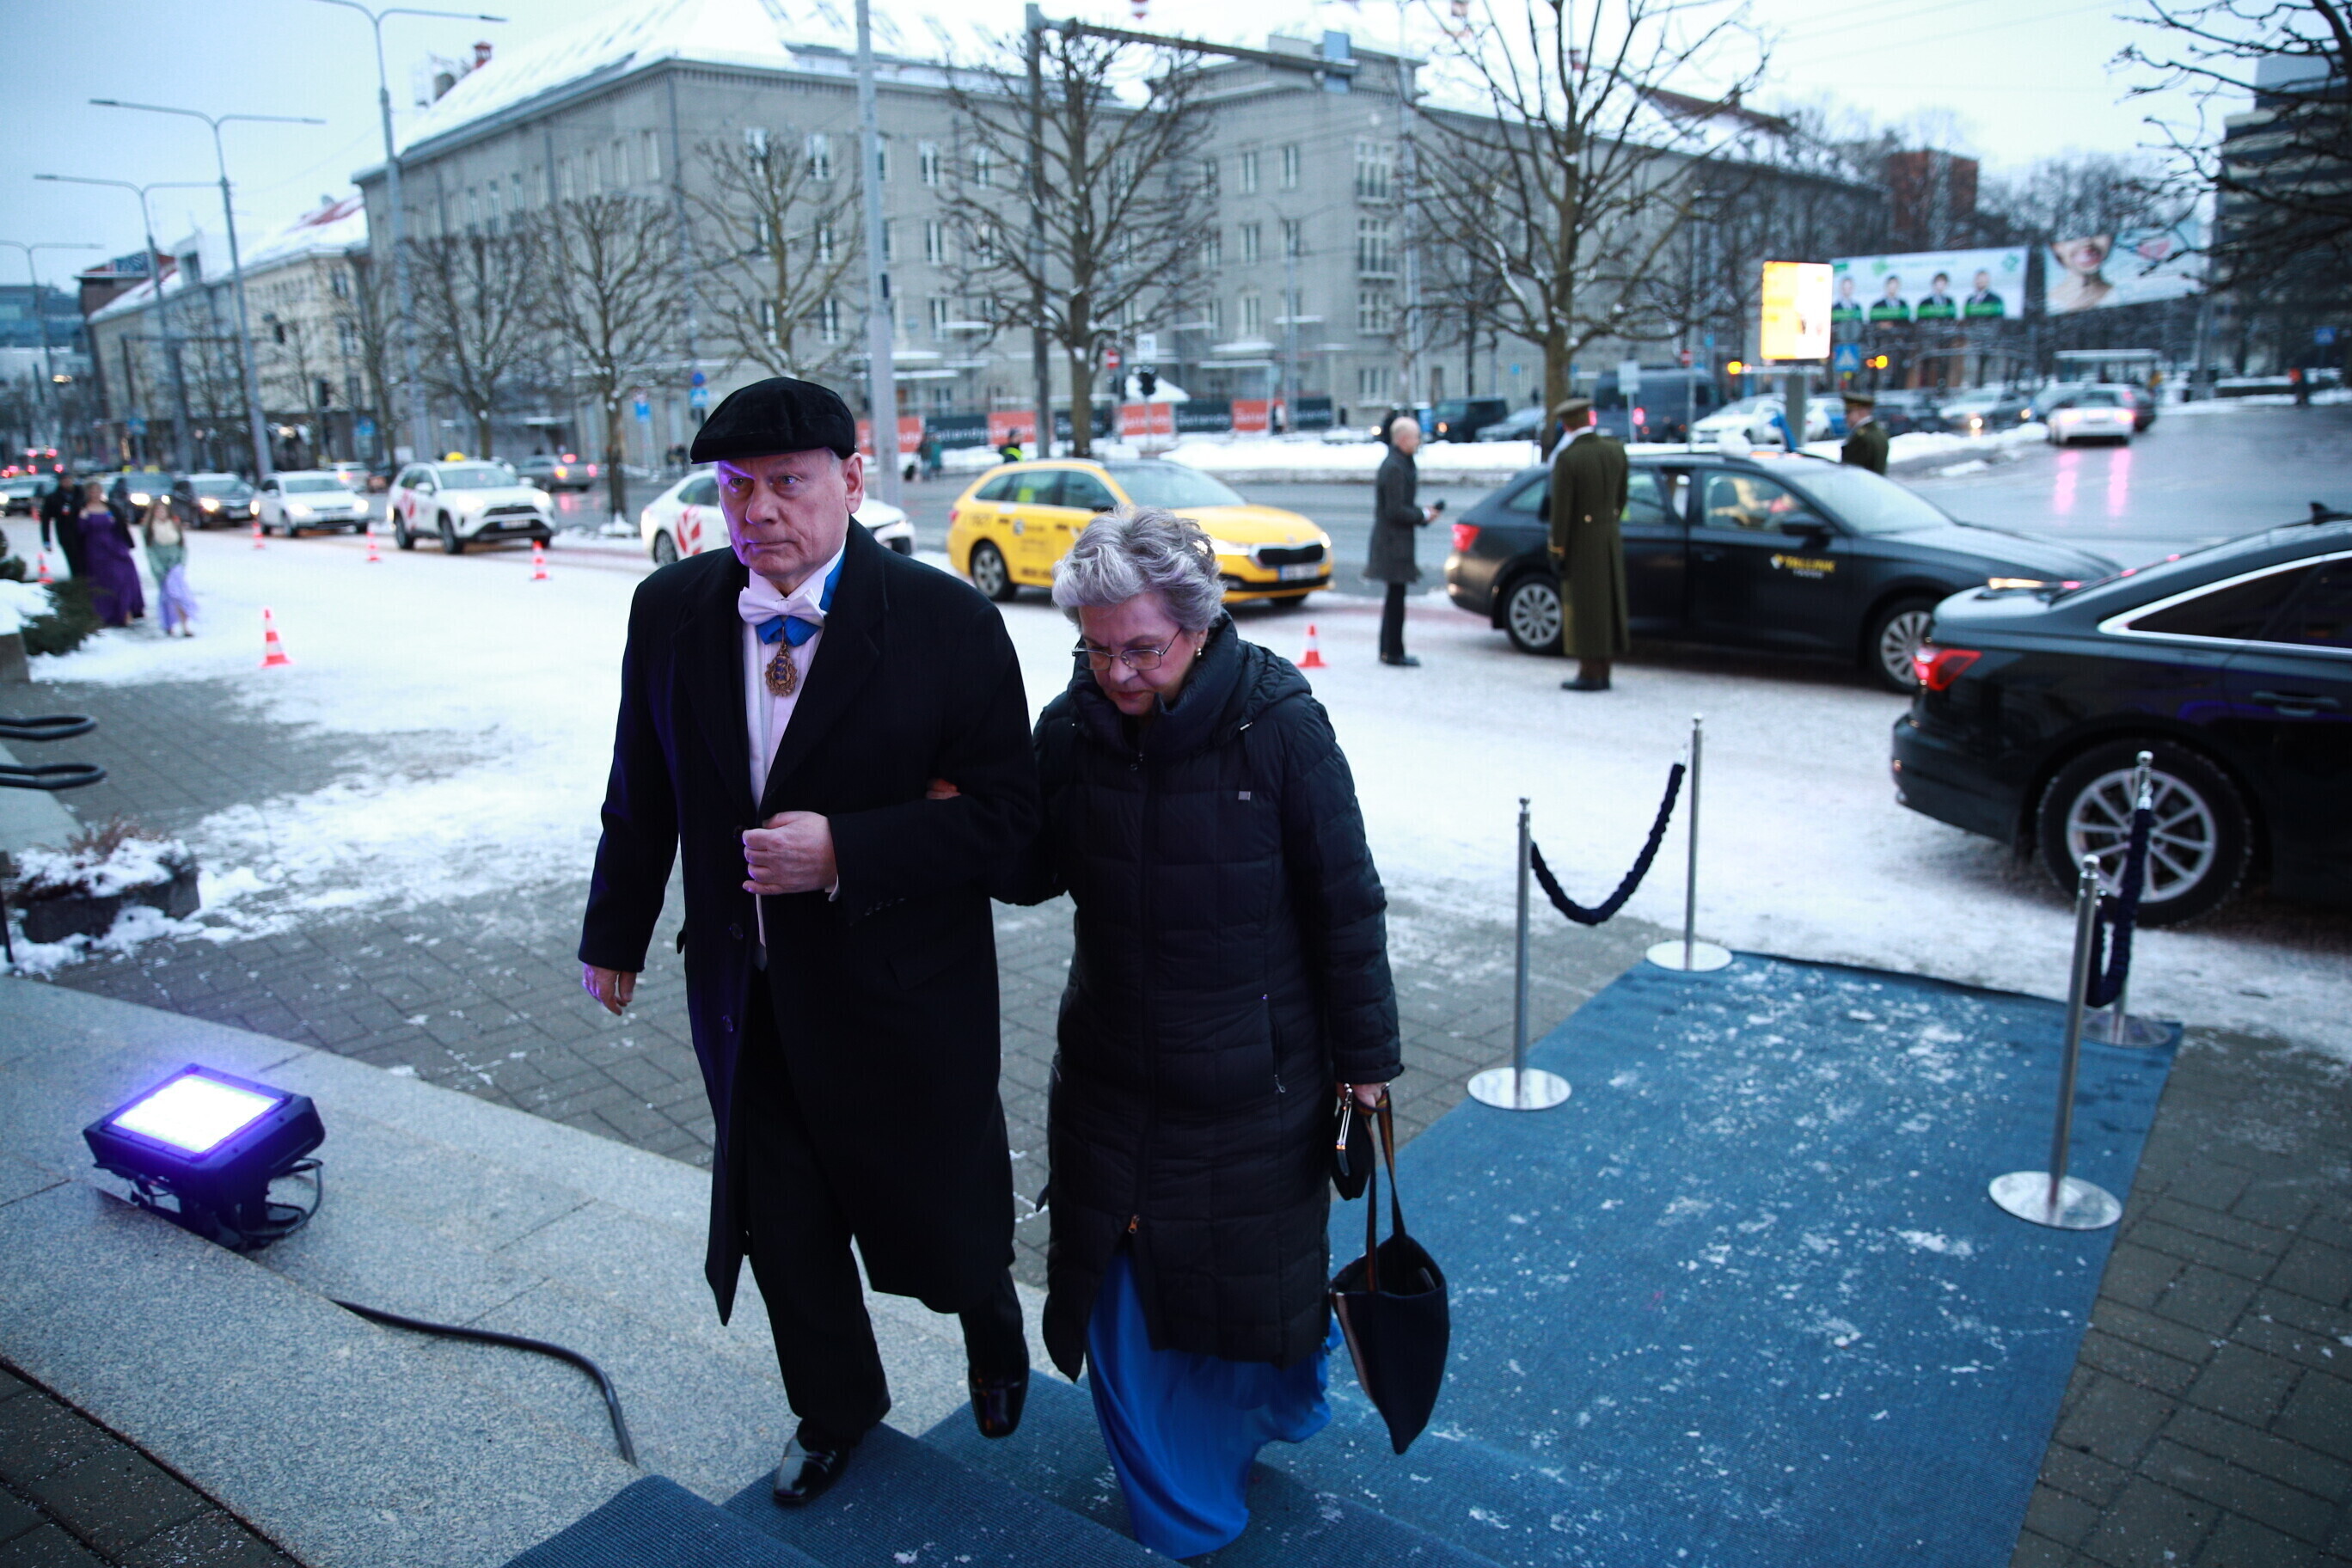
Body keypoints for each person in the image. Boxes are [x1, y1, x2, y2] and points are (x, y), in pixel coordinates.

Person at [577, 376, 1039, 1510]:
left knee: (941, 1200)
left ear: (853, 479)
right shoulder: (670, 611)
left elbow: (1013, 831)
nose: (760, 510)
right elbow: (642, 788)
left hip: (903, 993)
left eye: (788, 482)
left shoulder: (949, 624)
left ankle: (989, 1320)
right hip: (749, 990)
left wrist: (846, 850)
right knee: (781, 1220)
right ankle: (834, 1408)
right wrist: (615, 929)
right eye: (737, 487)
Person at [992, 505, 1400, 1559]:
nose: (1117, 673)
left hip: (1250, 1085)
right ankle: (1177, 1508)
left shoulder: (1282, 726)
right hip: (1111, 1072)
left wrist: (1366, 1063)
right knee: (1124, 1302)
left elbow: (1346, 902)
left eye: (1141, 649)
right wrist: (968, 808)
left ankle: (1248, 1427)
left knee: (1234, 1295)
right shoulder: (1071, 727)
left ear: (1201, 624)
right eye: (1096, 649)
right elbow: (1033, 872)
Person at [1547, 397, 1628, 692]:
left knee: (1585, 607)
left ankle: (1589, 671)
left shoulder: (1569, 458)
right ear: (1589, 419)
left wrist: (1557, 549)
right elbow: (1621, 497)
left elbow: (1562, 512)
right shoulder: (1615, 449)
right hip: (1609, 537)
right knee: (1608, 605)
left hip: (1582, 541)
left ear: (1566, 425)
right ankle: (1604, 669)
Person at [1366, 411, 1438, 667]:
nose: (1419, 442)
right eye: (1416, 437)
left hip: (1396, 542)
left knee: (1395, 597)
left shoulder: (1400, 463)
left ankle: (1390, 650)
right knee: (1395, 599)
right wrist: (1423, 515)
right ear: (1403, 439)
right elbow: (1395, 510)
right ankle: (1393, 651)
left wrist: (1422, 514)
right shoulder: (1395, 467)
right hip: (1392, 544)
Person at [77, 481, 145, 628]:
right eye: (92, 491)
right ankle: (107, 614)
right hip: (96, 550)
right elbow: (80, 531)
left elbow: (121, 525)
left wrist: (127, 544)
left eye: (98, 491)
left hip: (116, 547)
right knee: (104, 581)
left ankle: (127, 610)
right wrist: (82, 518)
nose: (95, 494)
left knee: (124, 577)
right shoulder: (84, 509)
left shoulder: (111, 508)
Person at [141, 495, 195, 637]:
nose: (161, 513)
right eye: (157, 511)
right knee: (166, 597)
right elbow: (149, 551)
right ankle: (168, 624)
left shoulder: (174, 525)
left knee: (180, 595)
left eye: (163, 510)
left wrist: (181, 562)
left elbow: (182, 546)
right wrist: (157, 567)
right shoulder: (149, 528)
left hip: (175, 565)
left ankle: (185, 626)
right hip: (161, 567)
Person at [2048, 236, 2115, 313]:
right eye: (2072, 233)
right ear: (2055, 246)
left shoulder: (2122, 294)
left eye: (2099, 230)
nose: (2086, 242)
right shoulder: (2046, 303)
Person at [40, 475, 83, 577]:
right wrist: (46, 540)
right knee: (73, 561)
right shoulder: (53, 498)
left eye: (69, 480)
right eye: (64, 481)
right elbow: (46, 520)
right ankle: (78, 581)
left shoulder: (82, 494)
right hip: (66, 534)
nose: (67, 482)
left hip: (84, 532)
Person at [1841, 391, 1889, 475]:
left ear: (1862, 411)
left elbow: (1851, 471)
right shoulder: (1879, 433)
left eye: (1849, 412)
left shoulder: (1861, 438)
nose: (1846, 417)